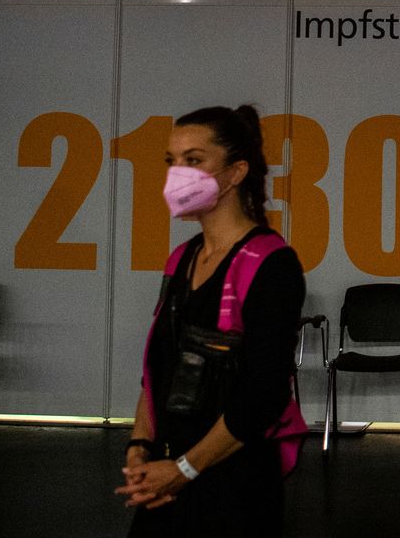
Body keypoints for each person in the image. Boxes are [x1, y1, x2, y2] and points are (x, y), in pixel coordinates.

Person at [116, 105, 306, 537]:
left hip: (231, 485)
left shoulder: (271, 264)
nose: (177, 173)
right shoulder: (181, 259)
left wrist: (184, 470)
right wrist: (139, 448)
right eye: (172, 161)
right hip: (165, 477)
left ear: (236, 172)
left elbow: (262, 395)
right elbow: (156, 371)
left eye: (194, 160)